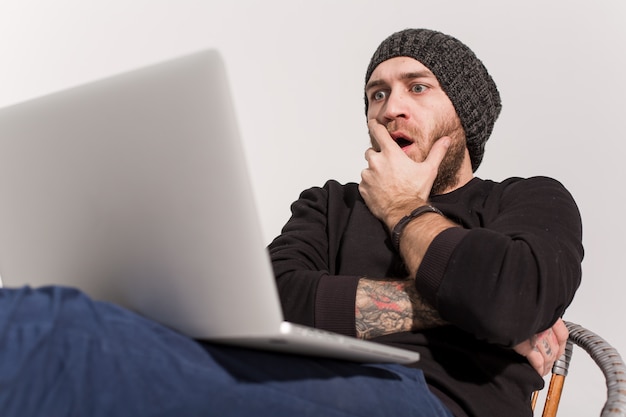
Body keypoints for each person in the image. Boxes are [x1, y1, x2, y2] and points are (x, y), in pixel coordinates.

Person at [0, 28, 582, 417]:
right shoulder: (330, 203)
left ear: (466, 113)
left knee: (49, 328)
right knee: (77, 315)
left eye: (418, 87)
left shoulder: (528, 201)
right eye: (376, 94)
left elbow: (510, 295)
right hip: (290, 379)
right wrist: (472, 307)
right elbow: (273, 298)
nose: (390, 107)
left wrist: (404, 209)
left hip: (430, 403)